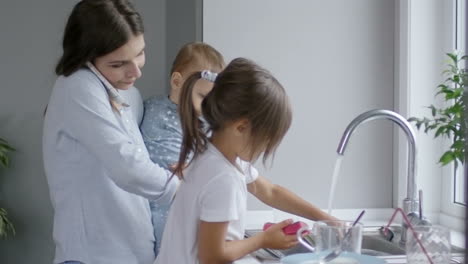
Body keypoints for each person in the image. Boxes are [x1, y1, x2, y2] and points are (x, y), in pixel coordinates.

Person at [154, 58, 336, 264]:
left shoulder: (213, 153)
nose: (265, 149)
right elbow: (212, 256)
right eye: (266, 140)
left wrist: (327, 220)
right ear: (241, 127)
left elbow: (270, 192)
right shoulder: (223, 178)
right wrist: (263, 240)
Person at [42, 1, 177, 263]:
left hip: (133, 251)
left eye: (140, 53)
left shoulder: (130, 96)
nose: (136, 70)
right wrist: (187, 189)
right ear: (86, 58)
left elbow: (138, 168)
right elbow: (127, 167)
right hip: (94, 255)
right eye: (118, 64)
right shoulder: (76, 86)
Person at [139, 42, 225, 255]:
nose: (208, 107)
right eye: (204, 97)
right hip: (165, 214)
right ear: (177, 82)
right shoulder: (159, 116)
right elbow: (175, 172)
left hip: (190, 209)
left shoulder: (200, 119)